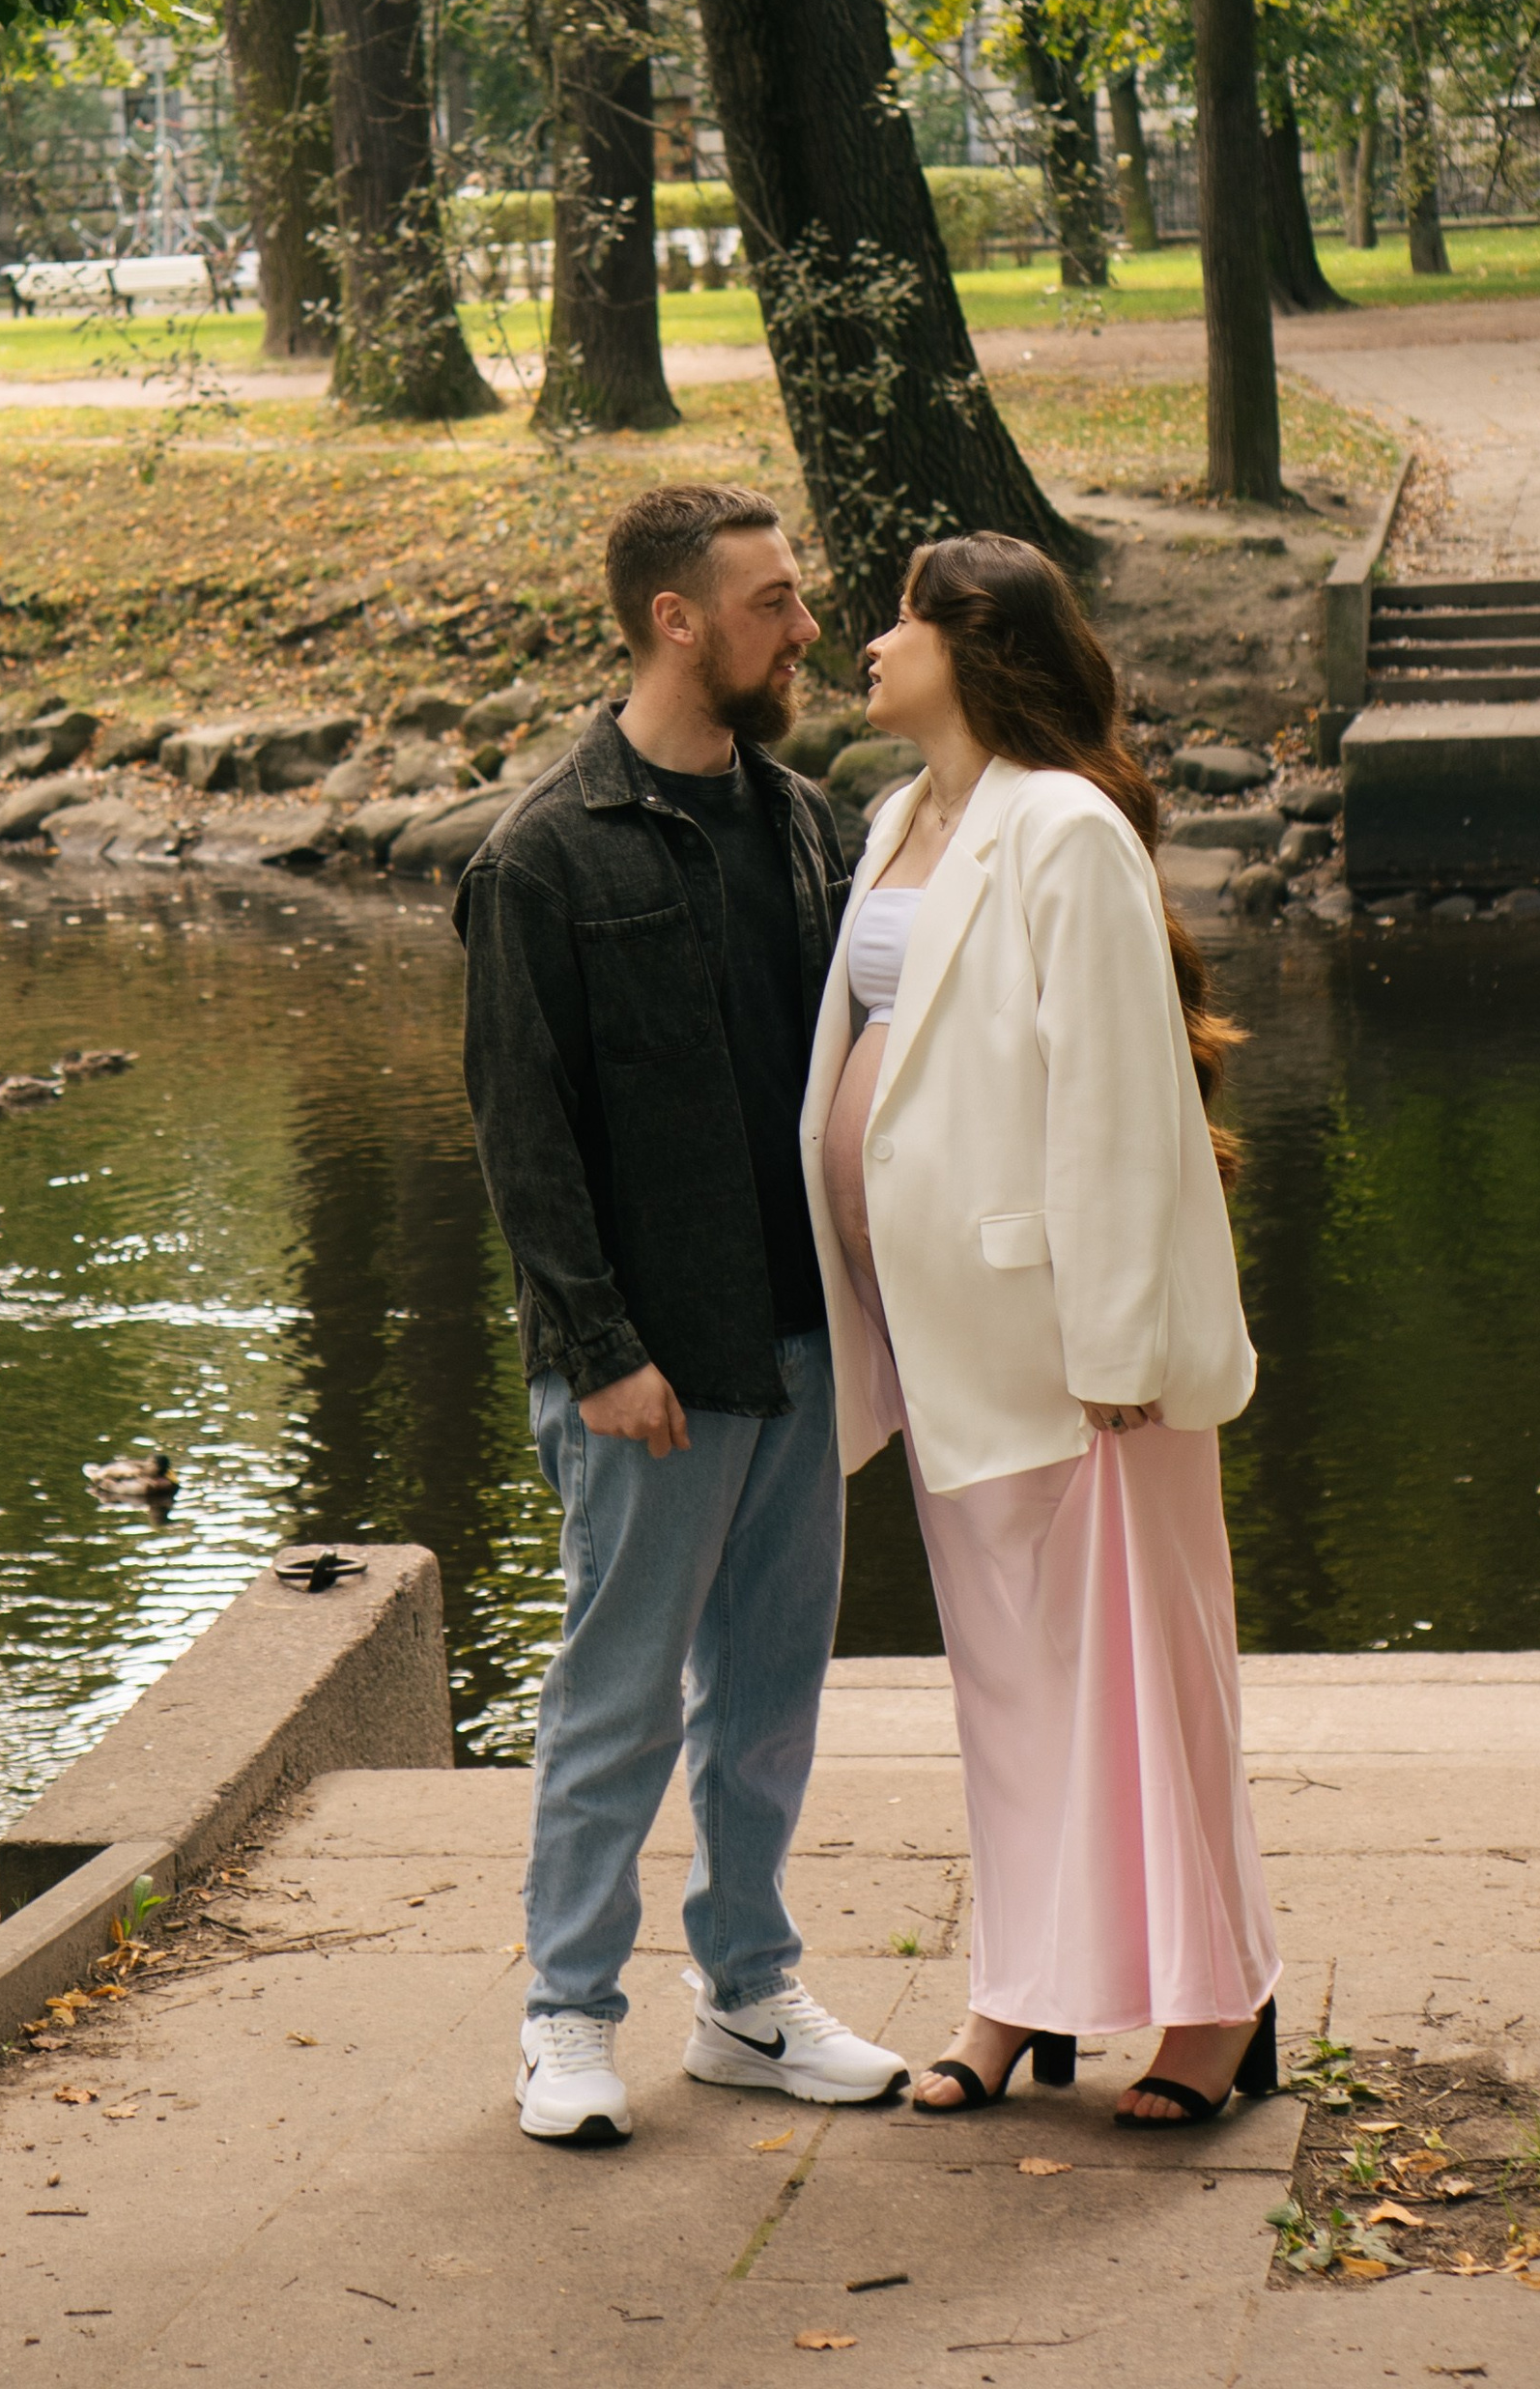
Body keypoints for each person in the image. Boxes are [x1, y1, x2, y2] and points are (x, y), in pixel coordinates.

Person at [801, 532, 1281, 2127]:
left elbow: (1122, 1100)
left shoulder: (1066, 829)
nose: (869, 644)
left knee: (1145, 1681)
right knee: (1007, 1686)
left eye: (904, 621)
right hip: (940, 1334)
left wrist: (1122, 1347)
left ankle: (1215, 2008)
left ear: (978, 644)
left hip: (1075, 1351)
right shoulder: (895, 820)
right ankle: (1025, 1991)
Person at [455, 482, 909, 2147]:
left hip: (805, 1346)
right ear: (677, 620)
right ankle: (567, 2019)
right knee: (618, 1697)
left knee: (772, 1695)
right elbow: (526, 1140)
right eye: (776, 602)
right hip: (649, 1369)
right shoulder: (540, 857)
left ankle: (750, 1999)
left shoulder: (802, 822)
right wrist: (602, 1355)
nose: (807, 630)